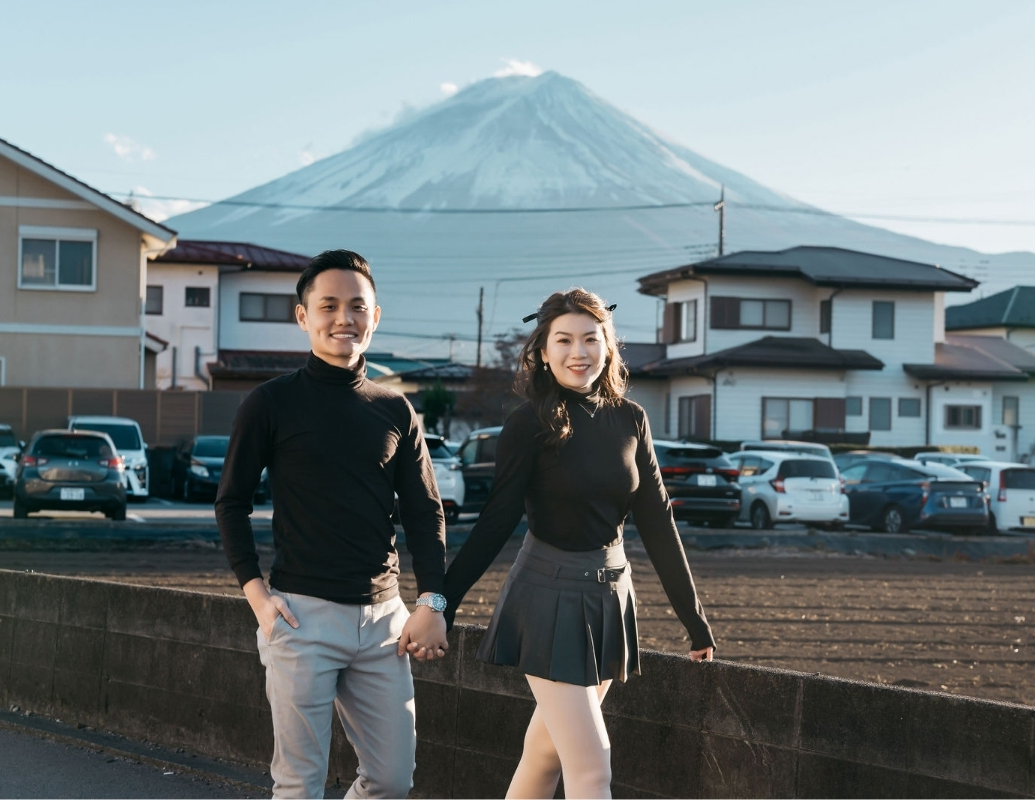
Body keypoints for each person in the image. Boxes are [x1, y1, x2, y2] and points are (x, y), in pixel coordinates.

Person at [442, 288, 716, 800]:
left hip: (611, 596)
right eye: (563, 340)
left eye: (591, 339)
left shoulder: (631, 419)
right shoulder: (528, 422)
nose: (578, 352)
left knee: (544, 756)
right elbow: (496, 521)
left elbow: (658, 524)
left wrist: (693, 618)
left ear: (608, 346)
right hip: (548, 598)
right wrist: (441, 603)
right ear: (543, 351)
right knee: (592, 770)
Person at [216, 249, 450, 799]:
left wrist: (432, 601)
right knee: (299, 783)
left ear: (375, 315)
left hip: (385, 625)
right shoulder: (270, 403)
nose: (343, 318)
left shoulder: (395, 409)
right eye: (328, 306)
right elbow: (231, 503)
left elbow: (424, 512)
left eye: (357, 306)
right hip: (302, 620)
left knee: (392, 781)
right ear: (303, 316)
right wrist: (258, 598)